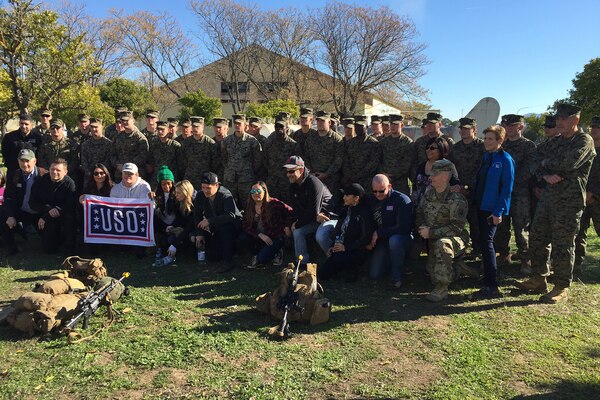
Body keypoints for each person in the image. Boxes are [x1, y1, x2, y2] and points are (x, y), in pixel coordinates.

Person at [518, 104, 596, 303]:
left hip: (569, 202)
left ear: (575, 120)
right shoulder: (555, 142)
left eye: (564, 119)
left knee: (563, 244)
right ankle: (538, 278)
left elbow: (570, 163)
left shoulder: (584, 140)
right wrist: (545, 173)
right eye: (558, 119)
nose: (559, 122)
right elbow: (534, 157)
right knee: (537, 238)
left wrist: (547, 164)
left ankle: (561, 286)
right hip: (547, 199)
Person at [468, 125, 515, 300]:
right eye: (486, 138)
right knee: (483, 243)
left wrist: (498, 211)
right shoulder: (487, 157)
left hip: (492, 210)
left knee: (487, 245)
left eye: (490, 139)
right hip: (481, 206)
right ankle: (487, 278)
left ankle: (491, 286)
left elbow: (506, 190)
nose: (486, 141)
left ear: (500, 141)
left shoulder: (505, 160)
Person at [415, 160, 470, 302]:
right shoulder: (428, 195)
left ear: (445, 177)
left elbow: (456, 228)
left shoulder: (457, 199)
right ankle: (458, 269)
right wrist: (422, 228)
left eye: (434, 175)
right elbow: (419, 213)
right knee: (432, 275)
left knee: (442, 244)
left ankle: (442, 287)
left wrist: (431, 232)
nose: (430, 177)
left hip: (455, 238)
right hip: (432, 237)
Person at [495, 114, 536, 272]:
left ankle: (526, 259)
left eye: (513, 125)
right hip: (502, 193)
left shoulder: (528, 146)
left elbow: (530, 169)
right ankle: (504, 254)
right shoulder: (501, 145)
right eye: (506, 125)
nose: (509, 128)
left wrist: (509, 181)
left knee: (521, 228)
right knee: (502, 226)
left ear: (521, 127)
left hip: (520, 194)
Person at [318, 183, 374, 282]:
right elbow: (339, 230)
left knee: (338, 258)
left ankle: (352, 269)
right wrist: (333, 246)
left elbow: (366, 238)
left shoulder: (365, 213)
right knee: (322, 275)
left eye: (347, 195)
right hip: (342, 248)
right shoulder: (346, 209)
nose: (344, 198)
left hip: (357, 250)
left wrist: (346, 247)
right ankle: (343, 266)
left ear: (356, 198)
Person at [285, 155, 334, 265]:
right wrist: (291, 224)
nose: (288, 174)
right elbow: (296, 209)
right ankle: (302, 263)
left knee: (320, 236)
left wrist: (297, 224)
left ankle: (334, 258)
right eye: (287, 171)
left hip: (328, 217)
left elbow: (313, 211)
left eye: (292, 171)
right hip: (313, 218)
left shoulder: (314, 183)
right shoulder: (293, 186)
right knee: (297, 232)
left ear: (301, 170)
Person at [367, 174, 413, 289]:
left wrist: (379, 233)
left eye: (381, 191)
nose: (378, 194)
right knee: (375, 274)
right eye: (375, 191)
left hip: (402, 238)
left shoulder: (402, 200)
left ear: (389, 186)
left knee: (395, 241)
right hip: (381, 241)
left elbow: (404, 228)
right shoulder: (371, 200)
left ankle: (396, 278)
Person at [448, 117, 485, 256]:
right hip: (458, 192)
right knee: (458, 223)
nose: (463, 131)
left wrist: (468, 188)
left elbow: (484, 170)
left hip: (476, 192)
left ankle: (478, 250)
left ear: (474, 130)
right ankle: (460, 251)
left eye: (467, 129)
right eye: (461, 128)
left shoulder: (482, 147)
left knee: (476, 225)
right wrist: (457, 186)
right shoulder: (455, 148)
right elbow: (451, 169)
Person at [193, 172, 242, 273]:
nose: (205, 191)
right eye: (203, 187)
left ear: (216, 185)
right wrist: (199, 234)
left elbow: (231, 215)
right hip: (216, 226)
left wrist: (210, 221)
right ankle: (232, 251)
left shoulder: (224, 194)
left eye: (208, 188)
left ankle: (228, 262)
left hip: (232, 226)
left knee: (225, 228)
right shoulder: (200, 195)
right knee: (212, 256)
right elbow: (197, 215)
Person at [239, 181, 293, 268]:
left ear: (265, 191)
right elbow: (245, 225)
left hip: (275, 237)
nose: (256, 193)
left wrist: (287, 226)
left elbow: (290, 212)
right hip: (260, 237)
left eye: (259, 191)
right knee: (243, 237)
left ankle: (278, 252)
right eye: (253, 191)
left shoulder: (274, 203)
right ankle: (256, 254)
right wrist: (259, 234)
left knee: (263, 259)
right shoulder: (249, 205)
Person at [1, 149, 44, 255]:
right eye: (22, 161)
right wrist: (10, 216)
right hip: (21, 211)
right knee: (2, 214)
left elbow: (50, 199)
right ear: (18, 161)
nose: (25, 164)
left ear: (34, 161)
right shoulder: (14, 175)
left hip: (39, 214)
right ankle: (10, 248)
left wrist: (45, 216)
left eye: (27, 161)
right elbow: (9, 197)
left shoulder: (44, 175)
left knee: (50, 246)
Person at [30, 159, 77, 254]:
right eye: (52, 169)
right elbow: (32, 203)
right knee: (49, 250)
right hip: (45, 215)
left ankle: (69, 247)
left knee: (70, 219)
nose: (54, 172)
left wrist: (50, 213)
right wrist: (48, 210)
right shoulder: (40, 181)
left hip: (63, 215)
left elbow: (70, 205)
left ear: (65, 172)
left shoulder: (70, 184)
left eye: (58, 170)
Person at [574, 116, 600, 270]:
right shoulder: (586, 150)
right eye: (593, 127)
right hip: (581, 197)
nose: (594, 130)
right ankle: (576, 265)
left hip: (597, 199)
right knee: (578, 233)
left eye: (598, 127)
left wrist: (594, 193)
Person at [221, 114, 262, 206]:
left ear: (245, 125)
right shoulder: (226, 141)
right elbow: (223, 158)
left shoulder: (252, 141)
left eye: (239, 123)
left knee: (247, 204)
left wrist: (248, 171)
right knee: (229, 203)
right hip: (230, 179)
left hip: (246, 180)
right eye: (235, 123)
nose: (237, 125)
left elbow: (258, 160)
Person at [303, 111, 344, 196]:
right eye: (318, 121)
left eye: (323, 121)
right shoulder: (311, 138)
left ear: (329, 122)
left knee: (330, 205)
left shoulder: (337, 139)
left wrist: (326, 174)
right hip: (313, 177)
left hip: (331, 180)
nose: (320, 123)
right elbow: (306, 157)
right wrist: (311, 172)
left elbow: (338, 160)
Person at [411, 136, 458, 208]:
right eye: (427, 147)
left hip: (439, 210)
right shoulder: (421, 166)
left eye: (432, 148)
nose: (428, 150)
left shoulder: (448, 166)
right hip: (420, 209)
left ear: (441, 149)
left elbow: (455, 185)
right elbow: (415, 187)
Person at [1, 114, 43, 183]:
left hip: (31, 171)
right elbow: (5, 153)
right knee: (11, 192)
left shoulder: (37, 138)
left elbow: (39, 154)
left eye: (26, 124)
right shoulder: (9, 137)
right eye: (22, 123)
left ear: (31, 125)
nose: (23, 126)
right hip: (14, 170)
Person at [342, 116, 381, 190]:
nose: (358, 128)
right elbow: (345, 161)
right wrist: (350, 175)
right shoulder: (350, 143)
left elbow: (373, 162)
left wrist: (360, 175)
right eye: (356, 126)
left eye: (361, 126)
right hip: (351, 180)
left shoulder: (374, 143)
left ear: (366, 127)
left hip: (367, 181)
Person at [379, 114, 414, 195]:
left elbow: (406, 164)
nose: (392, 126)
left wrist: (391, 176)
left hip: (400, 183)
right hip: (384, 181)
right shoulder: (384, 142)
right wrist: (383, 174)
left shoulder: (408, 142)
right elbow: (379, 160)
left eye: (395, 124)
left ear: (402, 125)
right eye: (391, 124)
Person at [110, 111, 149, 182]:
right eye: (122, 120)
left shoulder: (140, 138)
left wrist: (126, 167)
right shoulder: (117, 137)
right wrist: (117, 165)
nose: (124, 122)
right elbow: (112, 154)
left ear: (133, 121)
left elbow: (143, 156)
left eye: (127, 120)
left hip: (134, 175)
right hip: (120, 174)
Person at [180, 116, 217, 190]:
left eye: (197, 127)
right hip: (189, 178)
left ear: (203, 127)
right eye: (193, 126)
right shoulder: (186, 142)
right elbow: (182, 161)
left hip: (204, 179)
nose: (195, 129)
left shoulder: (210, 143)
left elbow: (215, 163)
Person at [80, 118, 112, 183]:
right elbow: (83, 161)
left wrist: (100, 173)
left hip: (104, 177)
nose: (94, 129)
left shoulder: (109, 144)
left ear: (102, 127)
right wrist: (90, 173)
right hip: (89, 178)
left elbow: (109, 161)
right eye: (91, 127)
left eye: (96, 127)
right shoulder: (85, 144)